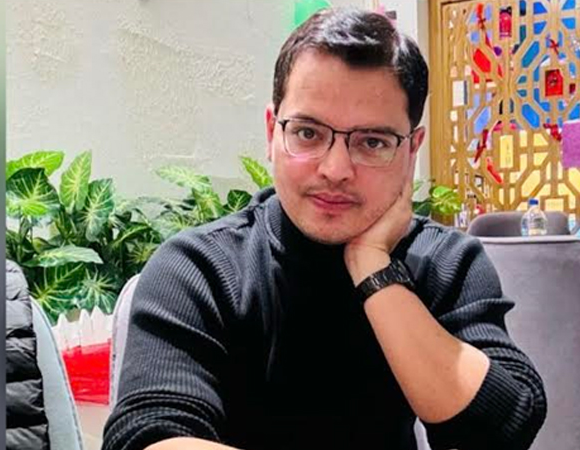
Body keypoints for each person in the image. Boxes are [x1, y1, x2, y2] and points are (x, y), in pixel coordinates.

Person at [104, 7, 546, 450]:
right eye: (308, 133)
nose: (335, 169)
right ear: (272, 133)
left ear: (411, 151)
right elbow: (147, 435)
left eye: (372, 142)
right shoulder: (201, 268)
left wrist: (374, 269)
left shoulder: (444, 261)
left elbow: (503, 429)